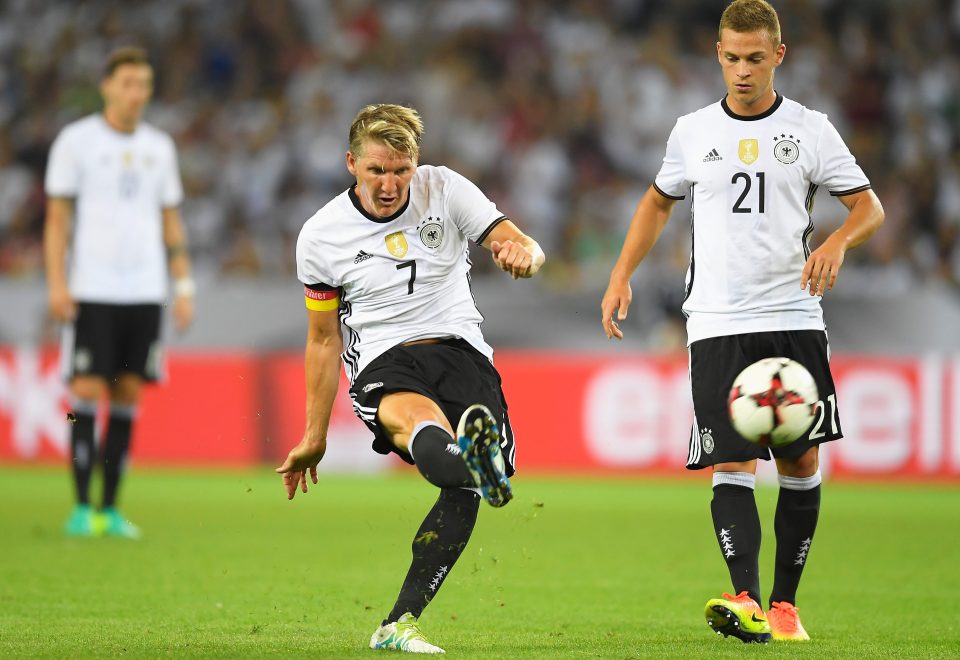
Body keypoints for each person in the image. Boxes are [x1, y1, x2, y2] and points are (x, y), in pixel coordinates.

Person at [601, 0, 884, 644]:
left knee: (798, 458)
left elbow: (869, 208)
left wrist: (837, 242)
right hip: (715, 320)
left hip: (791, 313)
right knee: (730, 462)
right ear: (717, 54)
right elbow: (656, 201)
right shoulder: (691, 131)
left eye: (756, 58)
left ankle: (786, 605)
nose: (742, 70)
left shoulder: (811, 130)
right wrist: (621, 274)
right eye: (731, 57)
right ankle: (747, 599)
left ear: (778, 55)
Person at [276, 103, 544, 654]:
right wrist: (314, 434)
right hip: (383, 359)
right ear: (351, 163)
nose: (391, 183)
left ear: (416, 164)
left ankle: (397, 624)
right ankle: (474, 456)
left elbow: (520, 243)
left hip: (460, 350)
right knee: (421, 423)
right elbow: (324, 341)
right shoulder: (321, 236)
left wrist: (525, 255)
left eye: (401, 169)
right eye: (377, 170)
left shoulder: (444, 189)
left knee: (460, 483)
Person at [44, 46, 194, 539]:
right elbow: (58, 221)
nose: (136, 94)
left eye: (143, 85)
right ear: (107, 86)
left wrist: (183, 283)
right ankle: (80, 507)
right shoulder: (76, 142)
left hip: (145, 291)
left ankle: (109, 509)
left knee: (128, 393)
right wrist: (58, 281)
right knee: (85, 391)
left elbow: (170, 219)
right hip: (92, 288)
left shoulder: (159, 147)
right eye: (127, 84)